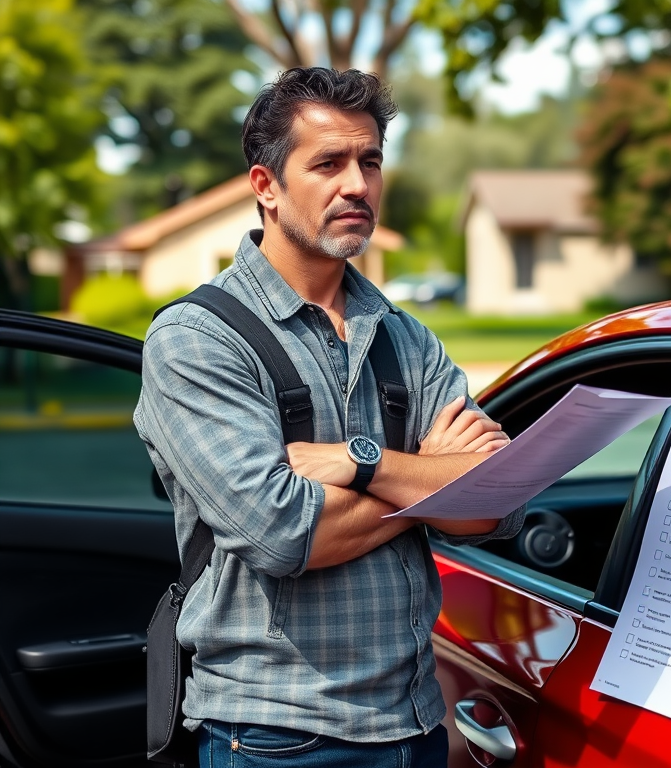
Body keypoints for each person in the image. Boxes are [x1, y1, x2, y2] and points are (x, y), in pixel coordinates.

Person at [134, 67, 524, 768]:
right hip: (276, 738)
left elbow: (495, 504)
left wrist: (363, 461)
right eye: (328, 163)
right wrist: (433, 489)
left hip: (414, 723)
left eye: (369, 161)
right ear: (266, 187)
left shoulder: (404, 334)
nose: (357, 185)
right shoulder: (197, 339)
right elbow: (285, 534)